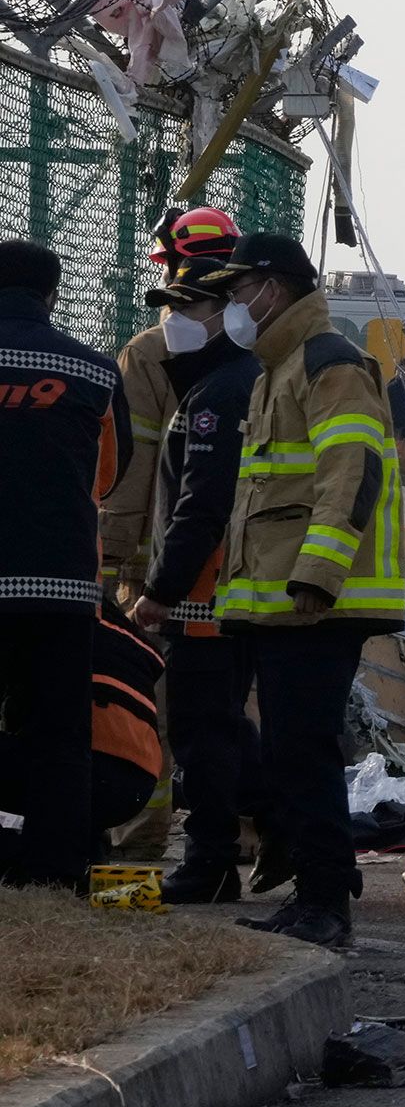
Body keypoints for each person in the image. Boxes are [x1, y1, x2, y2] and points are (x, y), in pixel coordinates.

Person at [198, 232, 405, 947]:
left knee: (304, 748)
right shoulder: (278, 367)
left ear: (274, 289)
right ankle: (318, 890)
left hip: (319, 603)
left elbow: (352, 473)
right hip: (285, 606)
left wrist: (316, 573)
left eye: (237, 291)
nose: (231, 306)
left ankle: (325, 902)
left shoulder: (328, 363)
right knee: (292, 749)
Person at [124, 257, 267, 904]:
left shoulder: (219, 394)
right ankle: (282, 826)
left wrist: (158, 589)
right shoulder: (219, 384)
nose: (176, 322)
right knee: (224, 730)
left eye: (190, 308)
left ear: (227, 315)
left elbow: (201, 508)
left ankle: (210, 862)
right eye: (172, 309)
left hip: (204, 600)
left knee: (201, 734)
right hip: (217, 596)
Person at [0, 240, 130, 889]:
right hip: (61, 585)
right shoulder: (95, 371)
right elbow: (107, 477)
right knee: (59, 734)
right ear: (53, 296)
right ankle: (54, 874)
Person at [100, 209, 238, 596]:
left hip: (157, 563)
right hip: (242, 561)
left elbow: (130, 459)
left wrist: (110, 556)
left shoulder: (148, 351)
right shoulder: (264, 346)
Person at [0, 606, 162, 881]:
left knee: (55, 752)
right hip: (136, 784)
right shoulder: (111, 626)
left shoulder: (33, 614)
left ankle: (25, 854)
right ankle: (86, 848)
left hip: (75, 772)